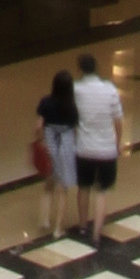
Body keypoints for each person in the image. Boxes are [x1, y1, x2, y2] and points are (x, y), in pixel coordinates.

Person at [69, 49, 126, 246]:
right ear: (97, 68)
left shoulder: (76, 90)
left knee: (83, 187)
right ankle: (96, 233)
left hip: (84, 148)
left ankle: (83, 226)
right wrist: (117, 143)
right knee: (101, 191)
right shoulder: (110, 90)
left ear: (80, 69)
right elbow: (118, 120)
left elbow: (73, 119)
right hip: (106, 150)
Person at [33, 64, 79, 243]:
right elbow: (75, 130)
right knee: (63, 188)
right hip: (66, 145)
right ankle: (58, 229)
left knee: (48, 185)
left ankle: (44, 219)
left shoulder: (45, 102)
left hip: (50, 143)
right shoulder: (72, 107)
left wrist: (40, 140)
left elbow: (38, 126)